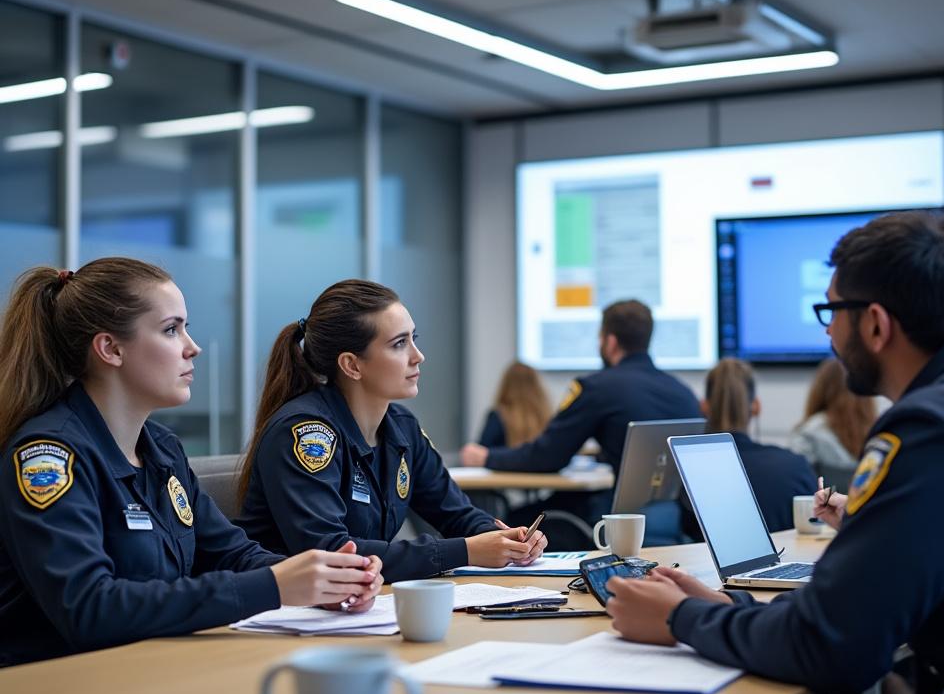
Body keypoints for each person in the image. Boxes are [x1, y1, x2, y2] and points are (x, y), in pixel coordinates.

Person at [606, 211, 944, 694]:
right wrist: (729, 606)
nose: (828, 336)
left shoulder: (932, 428)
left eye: (831, 314)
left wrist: (682, 619)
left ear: (874, 324)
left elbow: (832, 648)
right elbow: (856, 607)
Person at [0, 259, 382, 667]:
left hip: (143, 667)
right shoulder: (47, 455)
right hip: (53, 684)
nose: (192, 346)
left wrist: (326, 576)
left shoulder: (162, 449)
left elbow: (233, 555)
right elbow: (91, 609)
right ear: (111, 348)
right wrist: (274, 586)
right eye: (171, 329)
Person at [235, 279, 547, 583]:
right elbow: (331, 552)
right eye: (399, 344)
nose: (418, 355)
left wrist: (501, 538)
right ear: (352, 365)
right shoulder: (304, 433)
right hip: (285, 616)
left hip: (358, 605)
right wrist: (465, 551)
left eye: (414, 338)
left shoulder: (402, 427)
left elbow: (455, 513)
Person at [461, 299, 702, 526]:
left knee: (514, 518)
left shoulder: (598, 387)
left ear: (610, 342)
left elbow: (548, 456)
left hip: (614, 520)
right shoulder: (683, 393)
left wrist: (487, 458)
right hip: (679, 519)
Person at [681, 358, 817, 538]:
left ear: (704, 407)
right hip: (791, 562)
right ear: (756, 406)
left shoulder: (687, 471)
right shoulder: (795, 466)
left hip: (705, 565)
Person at [790, 357, 878, 493]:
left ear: (820, 390)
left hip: (824, 511)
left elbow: (795, 484)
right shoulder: (880, 435)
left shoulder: (808, 433)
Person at [477, 361, 551, 449]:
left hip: (504, 462)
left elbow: (481, 453)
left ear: (506, 384)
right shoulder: (547, 417)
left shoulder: (498, 416)